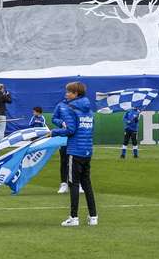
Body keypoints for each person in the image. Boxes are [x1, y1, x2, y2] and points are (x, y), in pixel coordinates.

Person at [50, 81, 97, 227]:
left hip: (75, 150)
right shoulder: (88, 110)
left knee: (74, 184)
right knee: (87, 184)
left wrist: (53, 132)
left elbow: (70, 130)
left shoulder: (71, 109)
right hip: (87, 150)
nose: (66, 94)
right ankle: (93, 216)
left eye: (69, 92)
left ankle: (74, 217)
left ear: (76, 94)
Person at [53, 95, 72, 194]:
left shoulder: (81, 106)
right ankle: (64, 184)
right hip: (64, 136)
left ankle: (79, 184)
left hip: (76, 137)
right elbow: (54, 118)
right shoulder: (60, 105)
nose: (68, 94)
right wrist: (61, 123)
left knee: (77, 161)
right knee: (64, 160)